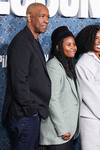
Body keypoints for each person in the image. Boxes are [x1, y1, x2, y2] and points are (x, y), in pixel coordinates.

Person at [1, 3, 50, 150]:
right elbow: (19, 82)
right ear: (29, 17)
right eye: (42, 16)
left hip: (29, 116)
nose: (46, 20)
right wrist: (31, 111)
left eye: (47, 17)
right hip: (24, 116)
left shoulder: (32, 40)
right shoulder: (22, 42)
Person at [39, 26, 81, 150]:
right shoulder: (53, 67)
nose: (73, 47)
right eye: (69, 45)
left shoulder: (68, 65)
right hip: (57, 133)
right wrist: (62, 129)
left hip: (69, 131)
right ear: (58, 47)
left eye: (74, 44)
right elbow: (52, 100)